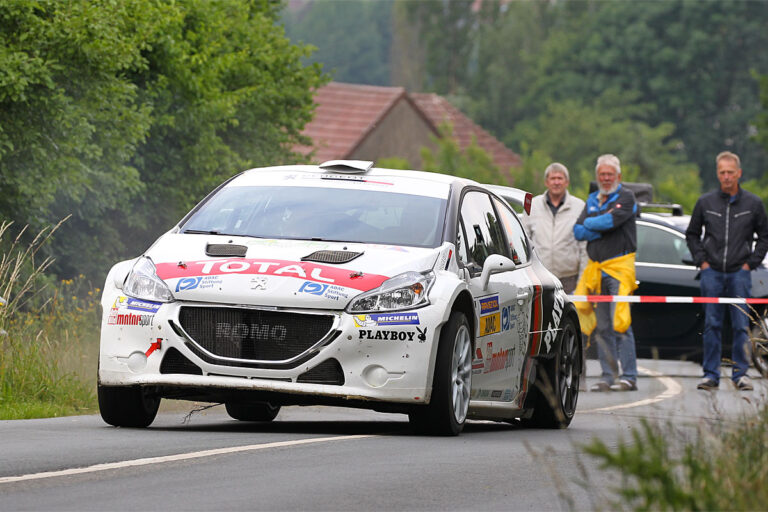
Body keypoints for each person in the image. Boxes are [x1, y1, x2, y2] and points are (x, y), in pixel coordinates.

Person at [685, 151, 768, 391]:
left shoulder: (753, 204)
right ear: (717, 174)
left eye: (730, 172)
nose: (726, 177)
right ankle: (710, 375)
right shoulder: (705, 202)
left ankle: (740, 374)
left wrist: (750, 263)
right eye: (722, 172)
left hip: (739, 273)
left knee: (741, 325)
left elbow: (764, 237)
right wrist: (702, 261)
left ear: (739, 173)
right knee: (712, 324)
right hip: (711, 273)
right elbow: (692, 234)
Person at [573, 154, 639, 392]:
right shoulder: (591, 198)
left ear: (618, 176)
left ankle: (629, 376)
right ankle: (608, 376)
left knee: (621, 323)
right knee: (602, 327)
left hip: (619, 270)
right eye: (602, 174)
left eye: (610, 174)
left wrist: (594, 224)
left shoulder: (626, 197)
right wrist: (599, 226)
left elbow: (611, 221)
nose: (606, 178)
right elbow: (578, 231)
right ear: (597, 176)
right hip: (596, 272)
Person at [524, 162, 588, 294]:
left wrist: (582, 282)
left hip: (570, 280)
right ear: (546, 182)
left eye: (560, 178)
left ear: (567, 182)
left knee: (570, 315)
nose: (556, 182)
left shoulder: (579, 206)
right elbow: (524, 241)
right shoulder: (532, 206)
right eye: (553, 178)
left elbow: (584, 247)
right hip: (539, 278)